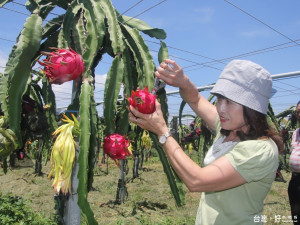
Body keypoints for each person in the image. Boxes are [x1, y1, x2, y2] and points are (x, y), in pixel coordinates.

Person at [129, 59, 283, 225]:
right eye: (219, 99)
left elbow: (197, 180)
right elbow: (195, 99)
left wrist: (163, 133)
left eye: (230, 102)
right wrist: (183, 82)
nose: (221, 108)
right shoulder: (228, 130)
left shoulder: (259, 149)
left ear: (252, 108)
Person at [288, 100, 300, 225]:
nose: (299, 114)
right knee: (296, 215)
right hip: (294, 179)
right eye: (297, 112)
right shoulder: (296, 133)